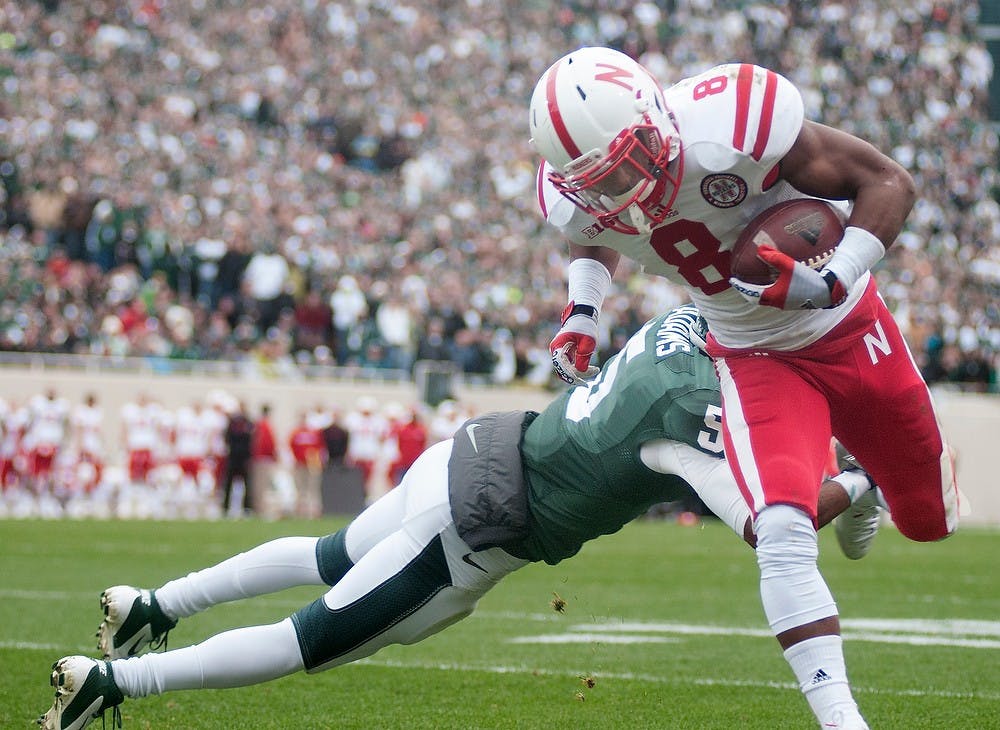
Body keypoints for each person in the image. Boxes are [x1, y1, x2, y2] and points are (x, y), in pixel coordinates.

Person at [37, 306, 880, 730]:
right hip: (482, 525)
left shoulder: (684, 322)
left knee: (329, 553)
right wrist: (864, 480)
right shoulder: (697, 420)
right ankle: (110, 684)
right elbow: (776, 522)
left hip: (470, 453)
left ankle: (158, 604)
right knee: (312, 636)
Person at [528, 47, 959, 729]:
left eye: (632, 165)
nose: (626, 192)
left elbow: (887, 181)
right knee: (781, 529)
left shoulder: (734, 122)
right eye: (604, 182)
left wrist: (833, 277)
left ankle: (865, 483)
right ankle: (843, 720)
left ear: (657, 120)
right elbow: (590, 234)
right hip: (750, 351)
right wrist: (583, 310)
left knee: (929, 521)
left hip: (848, 326)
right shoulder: (583, 198)